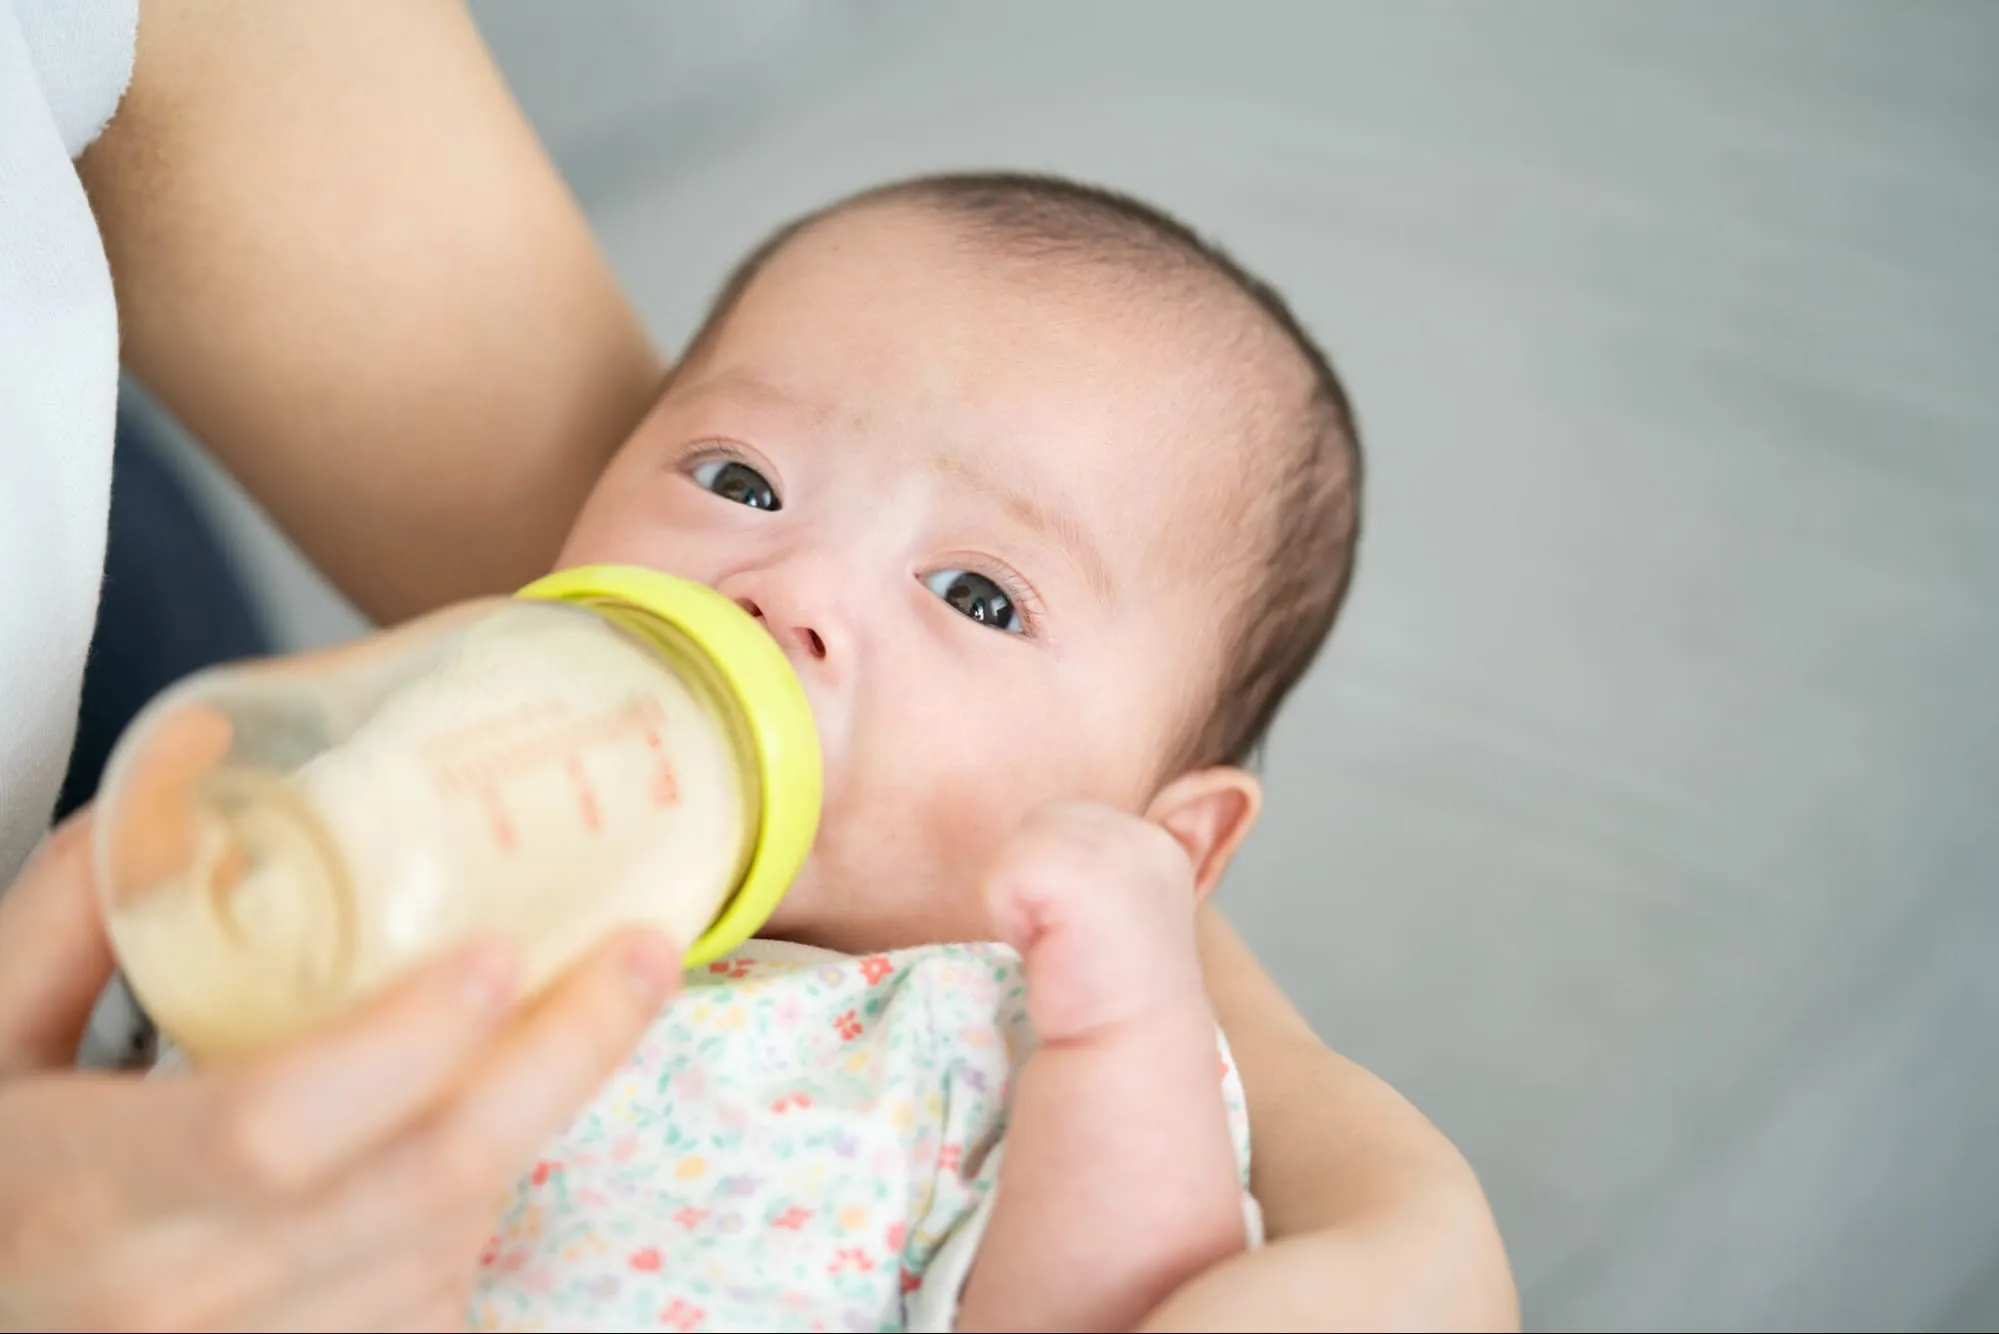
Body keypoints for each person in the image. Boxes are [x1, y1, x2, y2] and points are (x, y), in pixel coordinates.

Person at [0, 2, 1516, 1329]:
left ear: (1164, 845)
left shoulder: (987, 1035)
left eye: (979, 595)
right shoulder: (454, 802)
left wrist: (1128, 1012)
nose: (788, 586)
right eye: (735, 481)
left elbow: (1090, 1307)